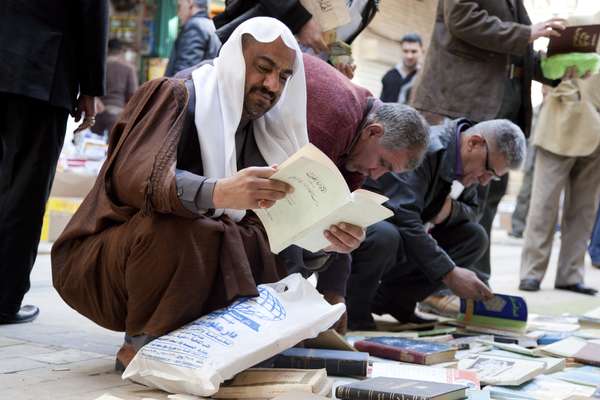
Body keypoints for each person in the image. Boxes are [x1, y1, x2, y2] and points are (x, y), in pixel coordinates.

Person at [51, 18, 364, 368]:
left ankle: (216, 344)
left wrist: (321, 242)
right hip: (104, 262)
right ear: (235, 59)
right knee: (185, 227)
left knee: (254, 236)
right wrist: (217, 192)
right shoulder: (178, 93)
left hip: (191, 261)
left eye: (284, 77)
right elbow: (134, 178)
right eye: (263, 68)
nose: (272, 85)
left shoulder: (267, 133)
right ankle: (144, 346)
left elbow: (276, 237)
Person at [409, 0, 565, 314]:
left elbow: (513, 53)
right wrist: (526, 33)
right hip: (458, 100)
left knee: (482, 204)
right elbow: (462, 18)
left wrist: (555, 69)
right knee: (428, 201)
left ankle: (474, 283)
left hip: (499, 109)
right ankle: (437, 287)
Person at [281, 54, 429, 333]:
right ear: (374, 132)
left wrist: (335, 294)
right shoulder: (333, 121)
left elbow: (337, 218)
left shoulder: (360, 139)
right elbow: (284, 216)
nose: (376, 174)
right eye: (383, 163)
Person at [347, 119, 527, 330]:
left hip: (407, 232)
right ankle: (354, 308)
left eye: (493, 177)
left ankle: (396, 301)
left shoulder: (472, 164)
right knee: (387, 235)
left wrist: (450, 211)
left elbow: (474, 212)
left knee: (474, 237)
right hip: (368, 229)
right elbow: (403, 218)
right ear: (474, 143)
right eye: (487, 171)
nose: (485, 181)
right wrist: (449, 272)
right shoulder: (427, 148)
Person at [0, 0, 108, 325]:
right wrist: (90, 87)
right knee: (25, 192)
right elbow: (92, 12)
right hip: (41, 70)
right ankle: (4, 299)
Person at [519, 71, 600, 295]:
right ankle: (531, 273)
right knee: (544, 204)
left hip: (596, 138)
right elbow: (549, 69)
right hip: (561, 123)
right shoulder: (576, 34)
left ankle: (571, 275)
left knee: (584, 210)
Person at [213, 0, 379, 79]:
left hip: (298, 83)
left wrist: (339, 64)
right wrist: (300, 20)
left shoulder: (371, 4)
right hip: (252, 59)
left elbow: (335, 35)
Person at [509, 85, 549, 238]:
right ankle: (517, 228)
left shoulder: (552, 114)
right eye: (543, 90)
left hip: (544, 162)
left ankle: (537, 232)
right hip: (531, 162)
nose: (545, 92)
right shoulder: (536, 111)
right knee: (524, 195)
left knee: (542, 199)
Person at [92, 39, 138, 136]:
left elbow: (90, 89)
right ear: (121, 51)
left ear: (107, 49)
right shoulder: (129, 68)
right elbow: (133, 96)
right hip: (117, 114)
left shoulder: (99, 65)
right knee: (113, 149)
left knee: (93, 146)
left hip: (96, 113)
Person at [164, 0, 221, 77]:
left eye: (179, 7)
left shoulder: (195, 26)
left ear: (190, 2)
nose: (178, 14)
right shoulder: (211, 25)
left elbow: (183, 74)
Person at [380, 33, 423, 103]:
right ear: (401, 51)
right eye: (405, 51)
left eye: (414, 51)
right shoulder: (389, 75)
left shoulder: (424, 77)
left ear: (421, 51)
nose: (409, 56)